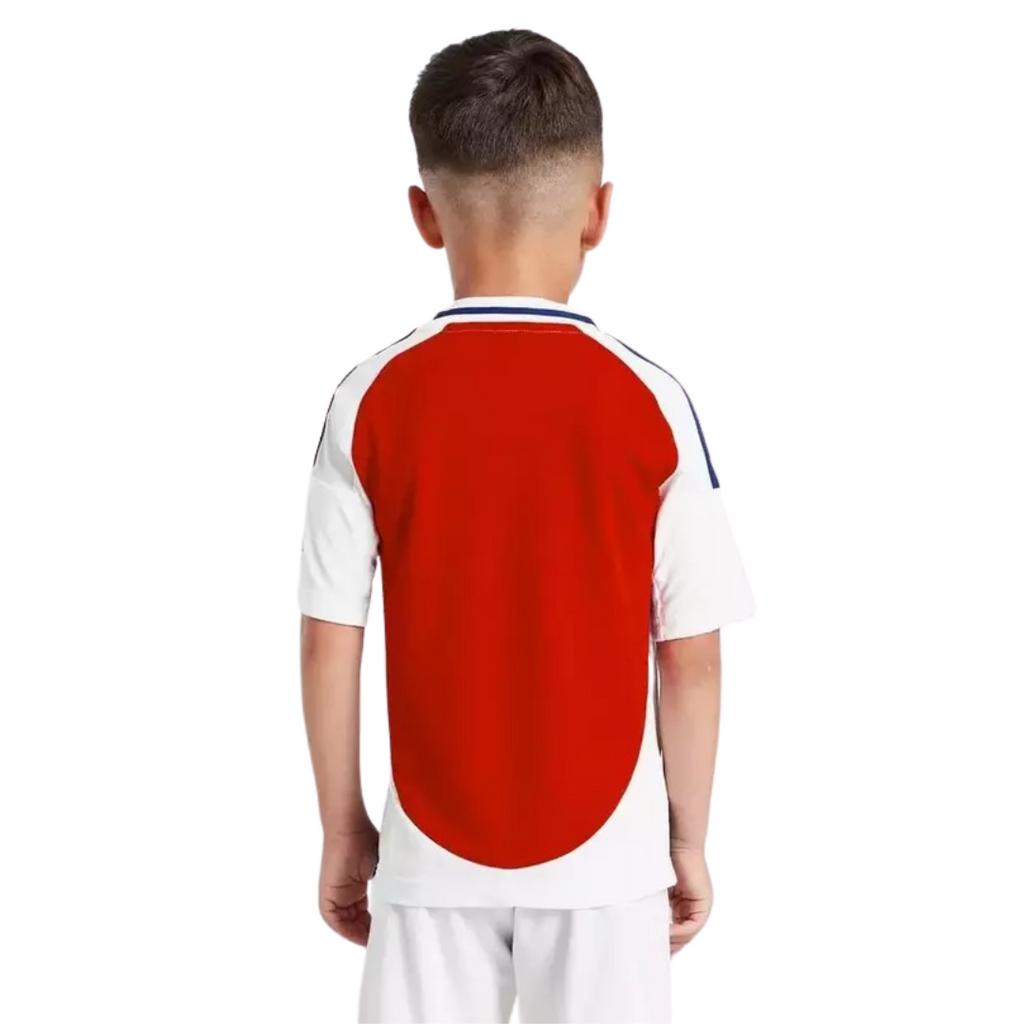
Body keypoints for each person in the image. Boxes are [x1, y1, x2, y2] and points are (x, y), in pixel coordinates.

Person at [298, 28, 755, 1024]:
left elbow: (332, 640)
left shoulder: (368, 398)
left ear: (425, 214)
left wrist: (344, 829)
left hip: (429, 853)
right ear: (599, 212)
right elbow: (691, 659)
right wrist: (685, 838)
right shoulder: (651, 400)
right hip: (609, 863)